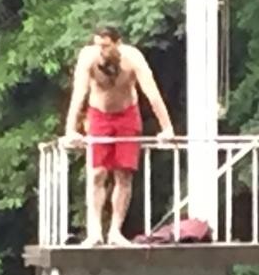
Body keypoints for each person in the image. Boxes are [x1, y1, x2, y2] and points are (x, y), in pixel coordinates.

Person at [62, 26, 175, 246]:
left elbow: (151, 93)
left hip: (127, 115)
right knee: (97, 173)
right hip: (99, 115)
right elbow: (79, 93)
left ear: (117, 43)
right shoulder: (88, 58)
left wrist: (167, 128)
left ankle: (115, 231)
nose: (101, 50)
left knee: (123, 174)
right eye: (97, 45)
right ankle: (94, 232)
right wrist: (70, 130)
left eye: (105, 46)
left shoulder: (133, 58)